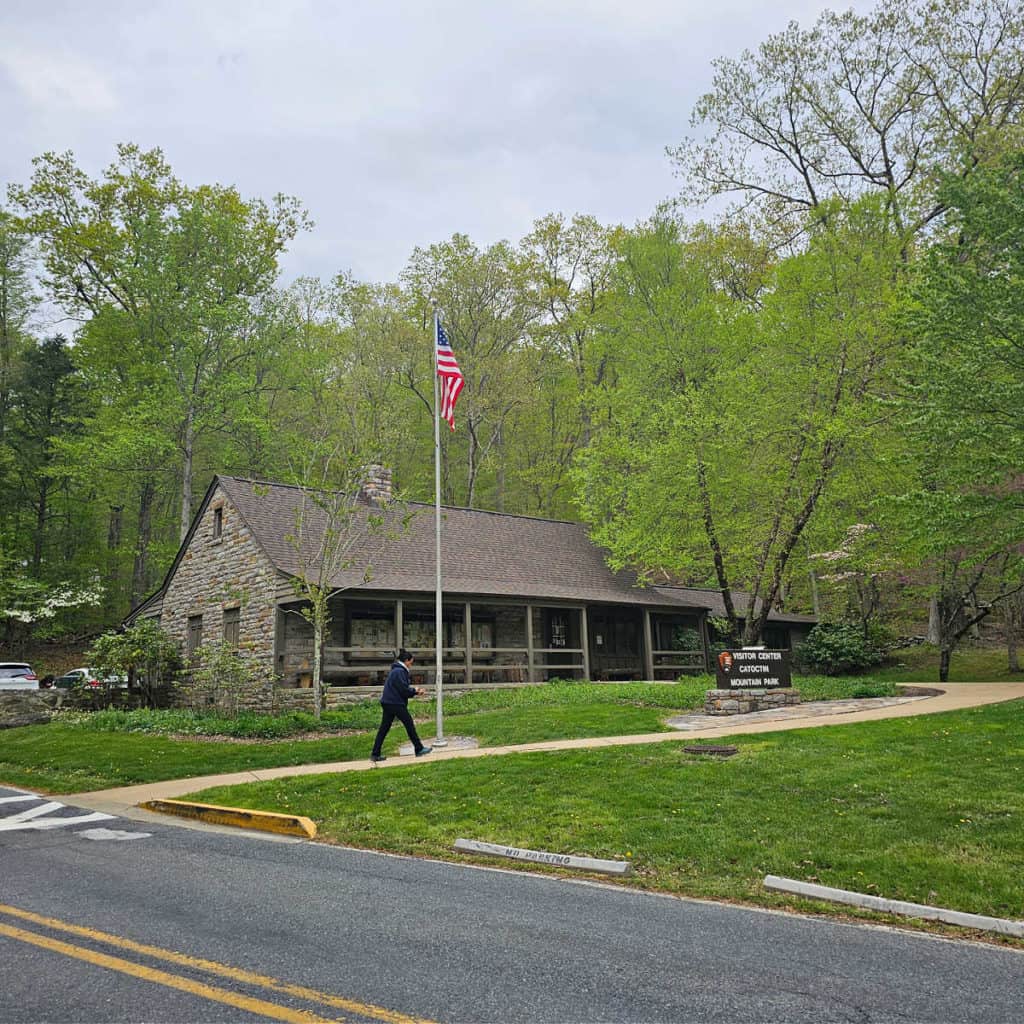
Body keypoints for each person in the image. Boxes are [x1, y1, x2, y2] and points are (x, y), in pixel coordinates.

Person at [369, 649, 432, 762]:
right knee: (409, 724)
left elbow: (402, 688)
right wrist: (416, 691)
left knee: (384, 728)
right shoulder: (400, 671)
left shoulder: (396, 670)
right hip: (395, 703)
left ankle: (375, 753)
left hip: (388, 702)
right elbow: (403, 690)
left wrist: (413, 690)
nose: (411, 665)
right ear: (406, 661)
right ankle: (419, 748)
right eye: (411, 663)